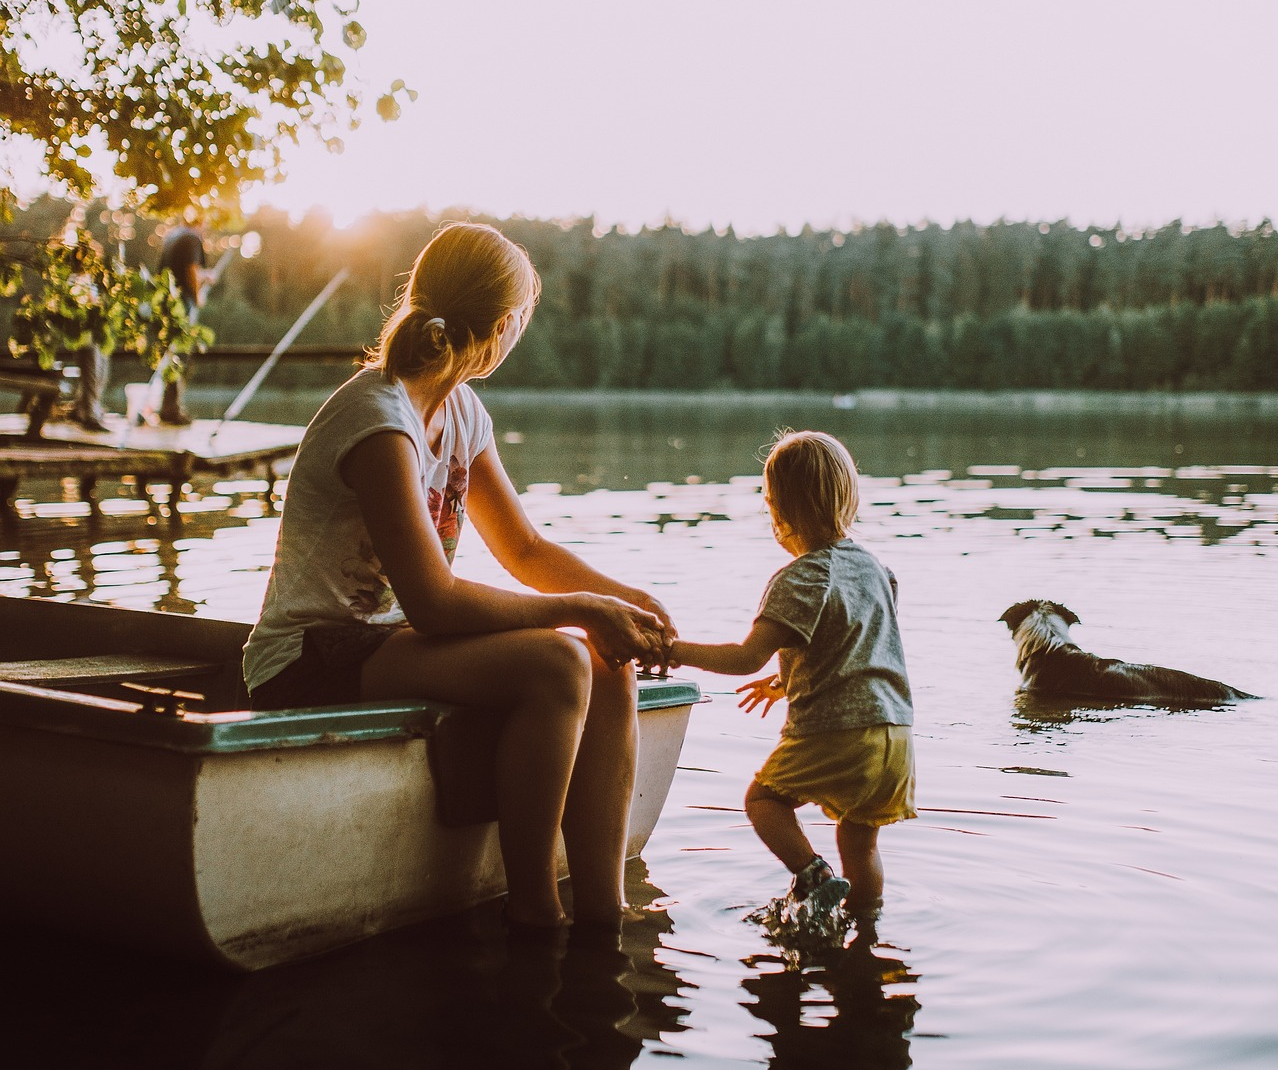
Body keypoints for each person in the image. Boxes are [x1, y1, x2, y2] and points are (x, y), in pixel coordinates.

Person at [242, 222, 674, 934]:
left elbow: (526, 549)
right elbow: (437, 603)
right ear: (504, 327)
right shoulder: (379, 420)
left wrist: (623, 602)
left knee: (607, 661)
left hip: (387, 644)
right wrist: (582, 610)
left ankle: (604, 911)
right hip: (307, 659)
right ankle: (535, 911)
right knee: (562, 661)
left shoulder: (461, 411)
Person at [670, 430, 915, 919]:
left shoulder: (800, 578)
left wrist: (673, 650)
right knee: (860, 840)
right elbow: (855, 647)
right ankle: (865, 932)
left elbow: (745, 657)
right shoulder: (876, 570)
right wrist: (786, 682)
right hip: (896, 737)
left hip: (836, 732)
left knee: (763, 801)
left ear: (778, 509)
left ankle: (814, 874)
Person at [155, 218, 208, 424]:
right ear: (200, 223)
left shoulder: (172, 236)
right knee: (180, 355)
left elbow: (176, 270)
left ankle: (168, 406)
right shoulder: (192, 237)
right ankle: (172, 409)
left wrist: (204, 277)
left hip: (166, 302)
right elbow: (191, 270)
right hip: (182, 304)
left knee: (170, 353)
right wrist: (197, 296)